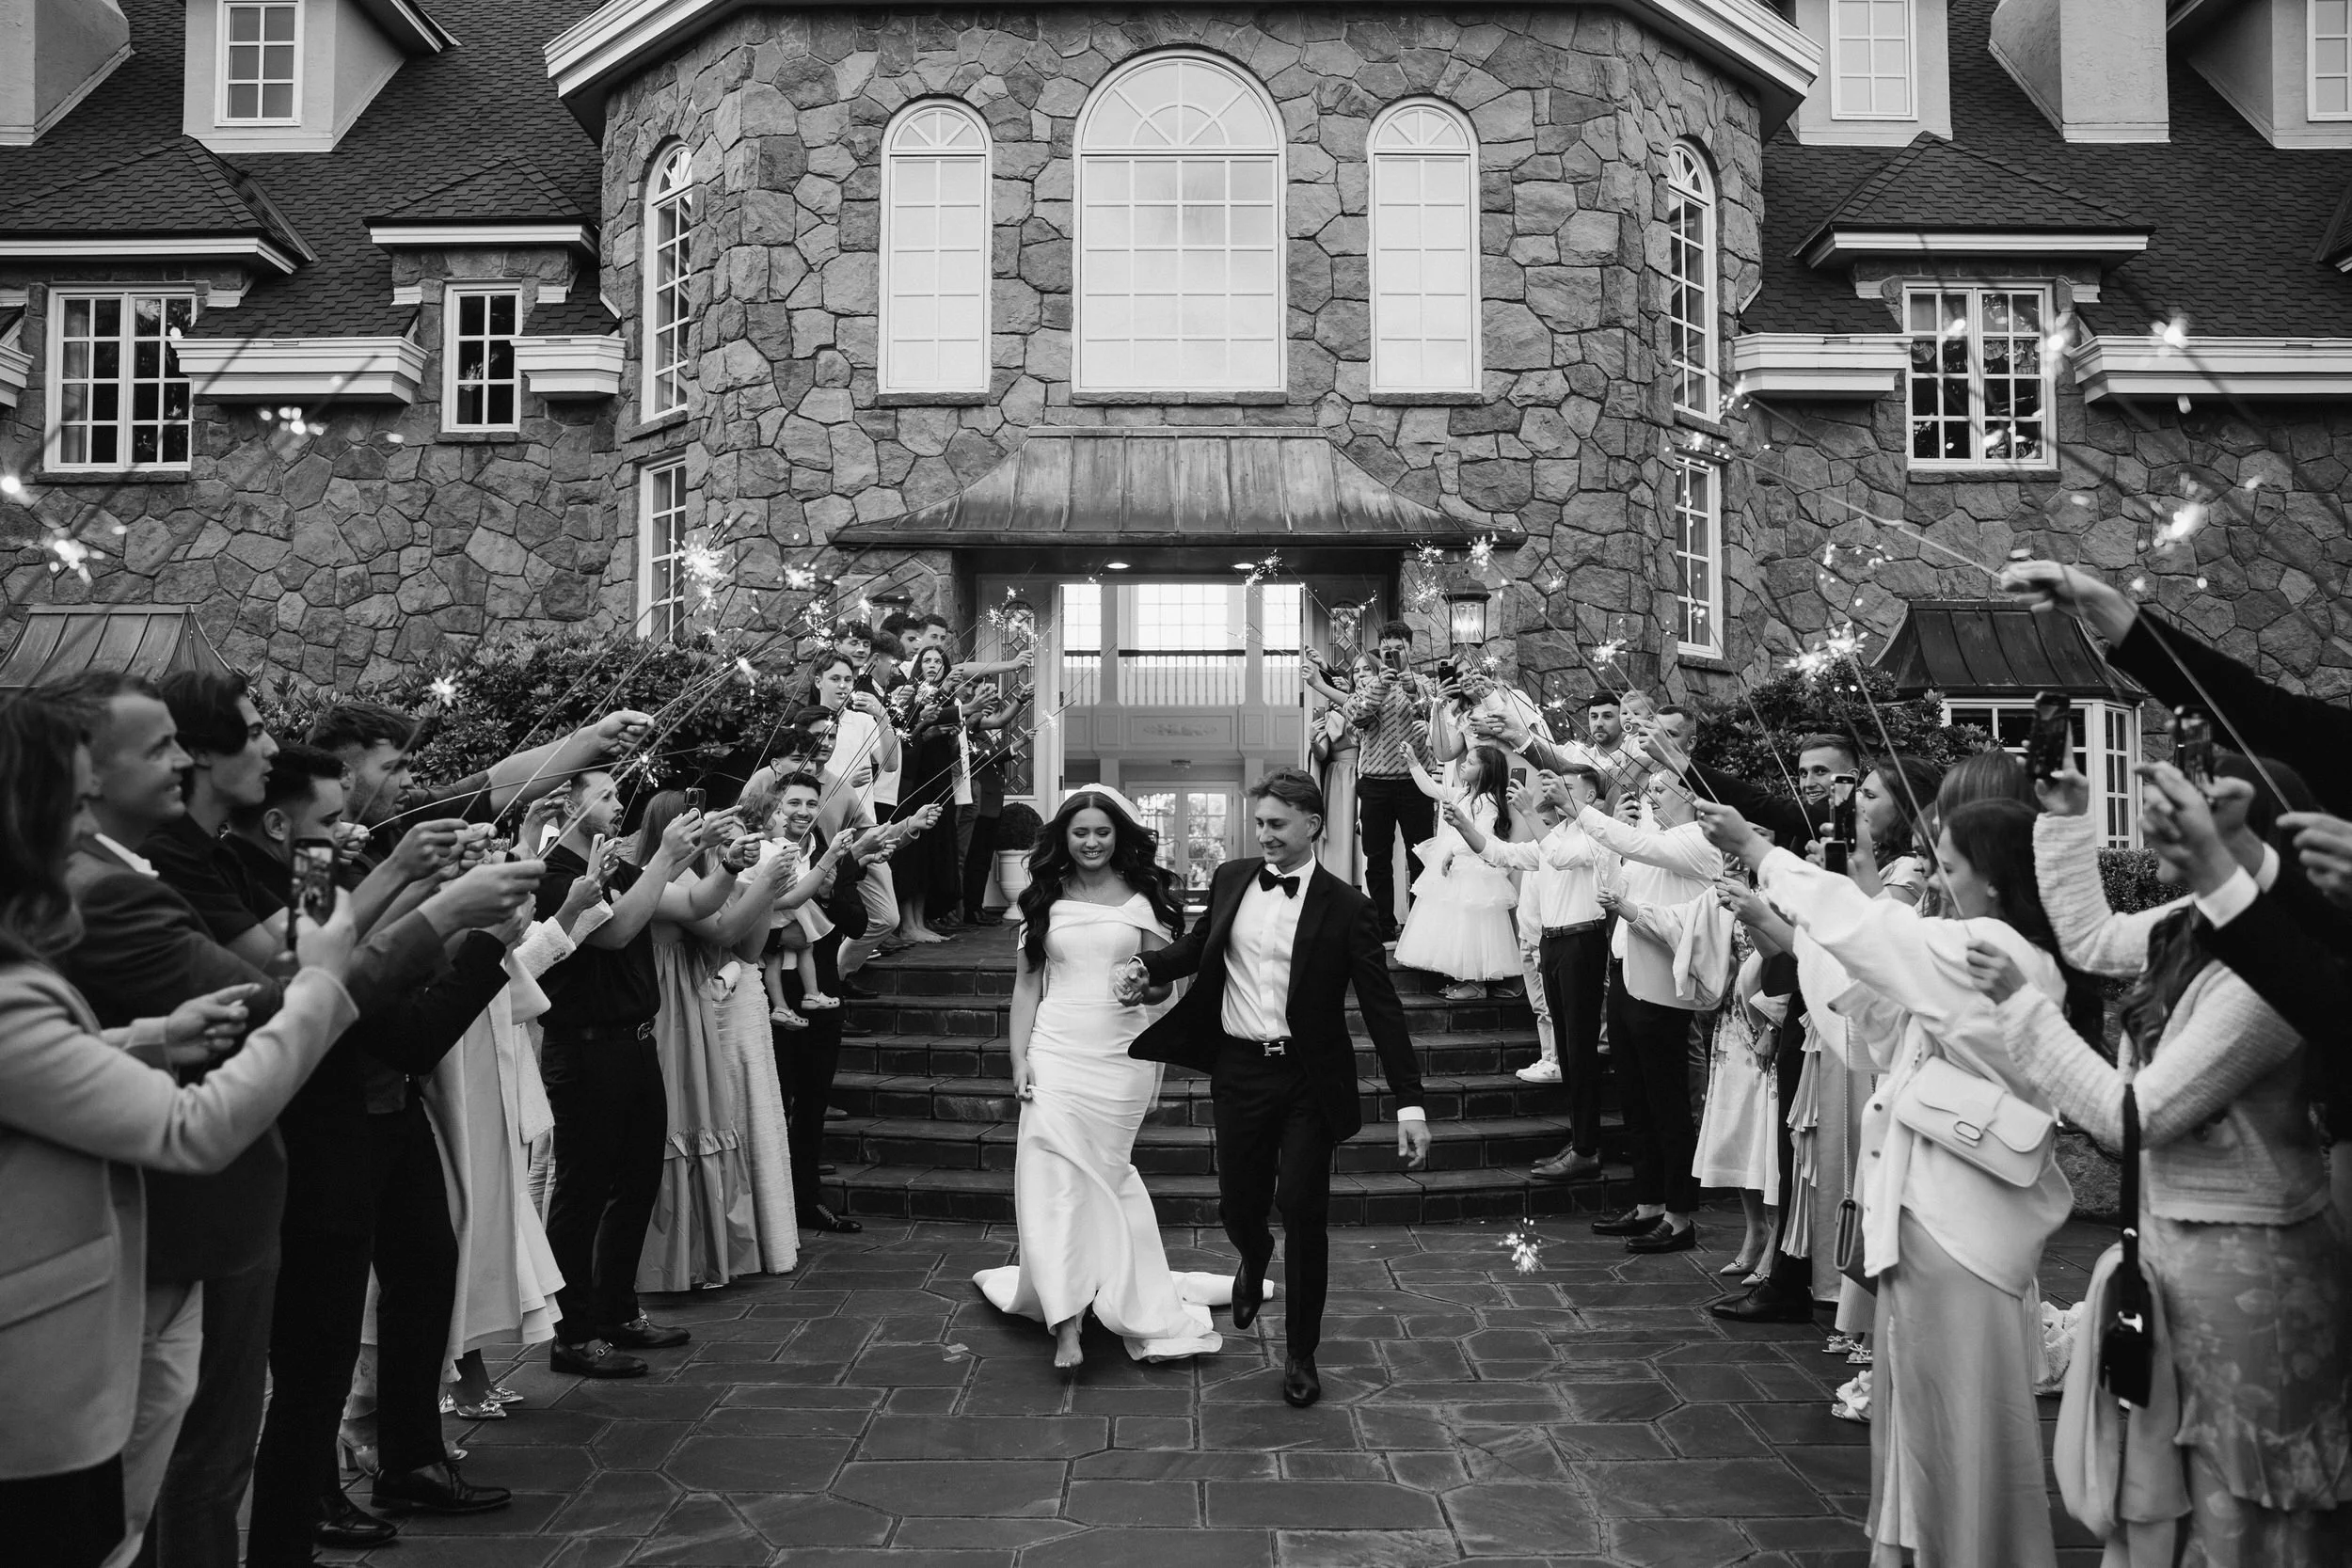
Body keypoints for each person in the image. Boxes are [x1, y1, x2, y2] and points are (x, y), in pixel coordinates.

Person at [0, 692, 358, 1568]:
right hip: (135, 1258)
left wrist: (155, 1037)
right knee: (189, 1472)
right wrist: (339, 965)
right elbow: (275, 991)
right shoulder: (131, 881)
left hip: (217, 1207)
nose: (269, 745)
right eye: (76, 800)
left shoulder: (188, 860)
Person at [1968, 760, 2348, 1565]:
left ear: (2249, 829)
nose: (2150, 824)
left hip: (2250, 1263)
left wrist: (2022, 1007)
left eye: (2180, 807)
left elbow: (2130, 1115)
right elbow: (2093, 938)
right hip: (2176, 1246)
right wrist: (2067, 819)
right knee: (2172, 1470)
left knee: (2233, 1486)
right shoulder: (2197, 918)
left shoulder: (2268, 972)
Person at [1700, 795, 2074, 1568]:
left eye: (1948, 864)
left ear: (1997, 880)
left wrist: (1757, 850)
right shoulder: (1986, 945)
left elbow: (1865, 929)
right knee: (1921, 1418)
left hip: (1958, 1226)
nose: (1931, 880)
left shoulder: (1990, 948)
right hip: (1931, 1216)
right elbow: (1861, 1008)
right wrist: (1795, 926)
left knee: (1955, 1422)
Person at [1119, 768, 1431, 1409]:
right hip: (1239, 1069)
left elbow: (1382, 1007)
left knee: (1303, 1206)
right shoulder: (1235, 879)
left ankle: (1300, 1351)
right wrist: (1145, 964)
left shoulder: (1349, 907)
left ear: (1312, 825)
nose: (1264, 835)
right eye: (1259, 823)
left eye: (1277, 824)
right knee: (1239, 1202)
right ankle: (1252, 1251)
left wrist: (1410, 1101)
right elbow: (1196, 948)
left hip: (1308, 1078)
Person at [972, 788, 1223, 1369]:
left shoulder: (1144, 901)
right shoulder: (1043, 901)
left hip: (1119, 1058)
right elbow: (1026, 987)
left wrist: (1144, 984)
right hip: (1055, 1052)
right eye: (1080, 832)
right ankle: (1066, 1322)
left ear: (1119, 838)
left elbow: (1166, 984)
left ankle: (1109, 1287)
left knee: (1102, 1180)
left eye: (1101, 833)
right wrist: (1018, 1059)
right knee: (1051, 1183)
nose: (1091, 842)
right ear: (1064, 837)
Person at [532, 772, 708, 1377]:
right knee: (581, 1192)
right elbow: (617, 931)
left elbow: (696, 906)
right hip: (582, 1049)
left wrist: (729, 867)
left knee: (635, 1182)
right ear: (570, 803)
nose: (617, 803)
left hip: (634, 1044)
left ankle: (616, 1310)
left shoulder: (622, 868)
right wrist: (664, 855)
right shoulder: (553, 875)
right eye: (604, 795)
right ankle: (571, 1333)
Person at [1575, 770, 1725, 1253]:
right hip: (1625, 974)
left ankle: (1680, 1218)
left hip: (1664, 988)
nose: (1651, 796)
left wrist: (1581, 811)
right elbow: (1615, 888)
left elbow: (1642, 854)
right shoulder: (1651, 841)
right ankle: (1647, 1205)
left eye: (1661, 788)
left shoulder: (1697, 841)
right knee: (1635, 1100)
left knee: (1669, 1105)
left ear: (1689, 795)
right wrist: (1610, 847)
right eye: (1651, 789)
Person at [1460, 765, 1613, 1133]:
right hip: (1553, 943)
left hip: (1582, 942)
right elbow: (1504, 854)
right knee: (1564, 1044)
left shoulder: (1599, 835)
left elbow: (1560, 856)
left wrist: (1529, 811)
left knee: (1580, 1047)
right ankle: (1579, 1140)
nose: (1556, 791)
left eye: (1568, 787)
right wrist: (1462, 827)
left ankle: (1586, 1144)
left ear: (1589, 797)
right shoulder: (1555, 833)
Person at [1393, 745, 1521, 999]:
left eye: (1470, 763)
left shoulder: (1487, 801)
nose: (1463, 765)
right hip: (1457, 867)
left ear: (1485, 771)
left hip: (1473, 869)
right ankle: (1462, 978)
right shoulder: (1464, 793)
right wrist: (1412, 762)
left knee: (1471, 926)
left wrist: (1454, 852)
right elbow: (1432, 788)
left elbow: (1482, 834)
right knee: (1455, 926)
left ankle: (1476, 983)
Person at [1348, 621, 1438, 938]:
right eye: (1387, 650)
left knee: (1421, 855)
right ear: (1381, 651)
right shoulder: (1366, 686)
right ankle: (1384, 925)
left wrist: (1414, 689)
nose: (1393, 655)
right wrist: (1380, 687)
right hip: (1375, 783)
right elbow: (1357, 718)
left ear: (1411, 651)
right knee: (1378, 857)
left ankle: (1419, 925)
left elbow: (1436, 717)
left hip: (1416, 781)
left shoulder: (1426, 684)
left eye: (1399, 650)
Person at [1302, 651, 1364, 889]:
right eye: (1356, 672)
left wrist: (1324, 667)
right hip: (1340, 779)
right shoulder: (1333, 716)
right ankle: (1341, 882)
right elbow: (1322, 754)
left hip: (1366, 775)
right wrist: (1312, 740)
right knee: (1341, 832)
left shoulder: (1369, 710)